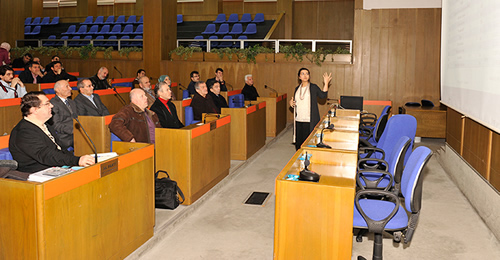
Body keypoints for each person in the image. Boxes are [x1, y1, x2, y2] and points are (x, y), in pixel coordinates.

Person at [9, 91, 95, 173]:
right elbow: (46, 155)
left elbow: (59, 149)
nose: (52, 105)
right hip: (38, 176)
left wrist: (77, 159)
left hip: (56, 168)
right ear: (34, 110)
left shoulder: (46, 125)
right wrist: (76, 160)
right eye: (47, 104)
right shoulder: (24, 132)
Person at [290, 68, 332, 150]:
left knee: (308, 144)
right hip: (298, 120)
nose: (305, 75)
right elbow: (295, 102)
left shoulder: (313, 87)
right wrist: (291, 103)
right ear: (299, 77)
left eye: (307, 73)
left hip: (309, 120)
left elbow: (323, 95)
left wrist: (326, 83)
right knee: (299, 144)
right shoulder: (297, 89)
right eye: (303, 73)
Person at [48, 80, 78, 150]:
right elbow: (56, 125)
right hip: (65, 136)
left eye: (69, 86)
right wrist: (74, 130)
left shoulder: (72, 102)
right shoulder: (53, 103)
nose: (70, 88)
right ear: (58, 90)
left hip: (76, 133)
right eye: (67, 87)